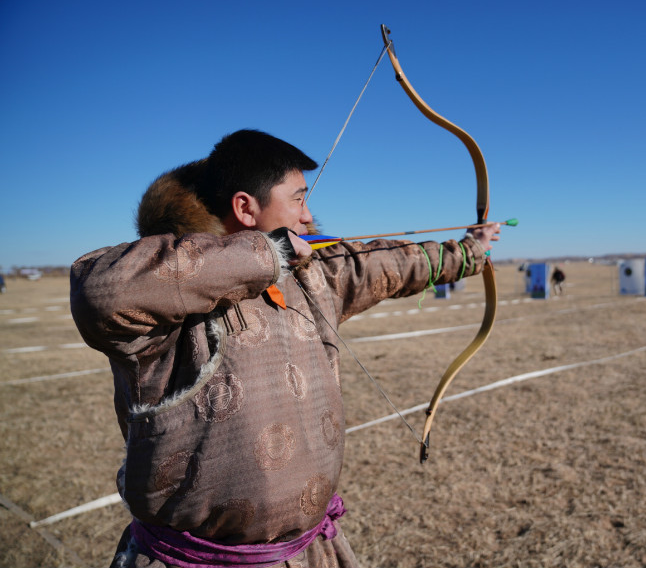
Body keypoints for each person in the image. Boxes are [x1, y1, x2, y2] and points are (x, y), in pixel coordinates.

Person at [69, 129, 501, 568]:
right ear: (245, 207)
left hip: (309, 552)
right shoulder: (170, 298)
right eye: (297, 199)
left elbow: (389, 262)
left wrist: (471, 250)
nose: (308, 214)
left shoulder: (315, 276)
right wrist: (265, 254)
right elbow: (100, 293)